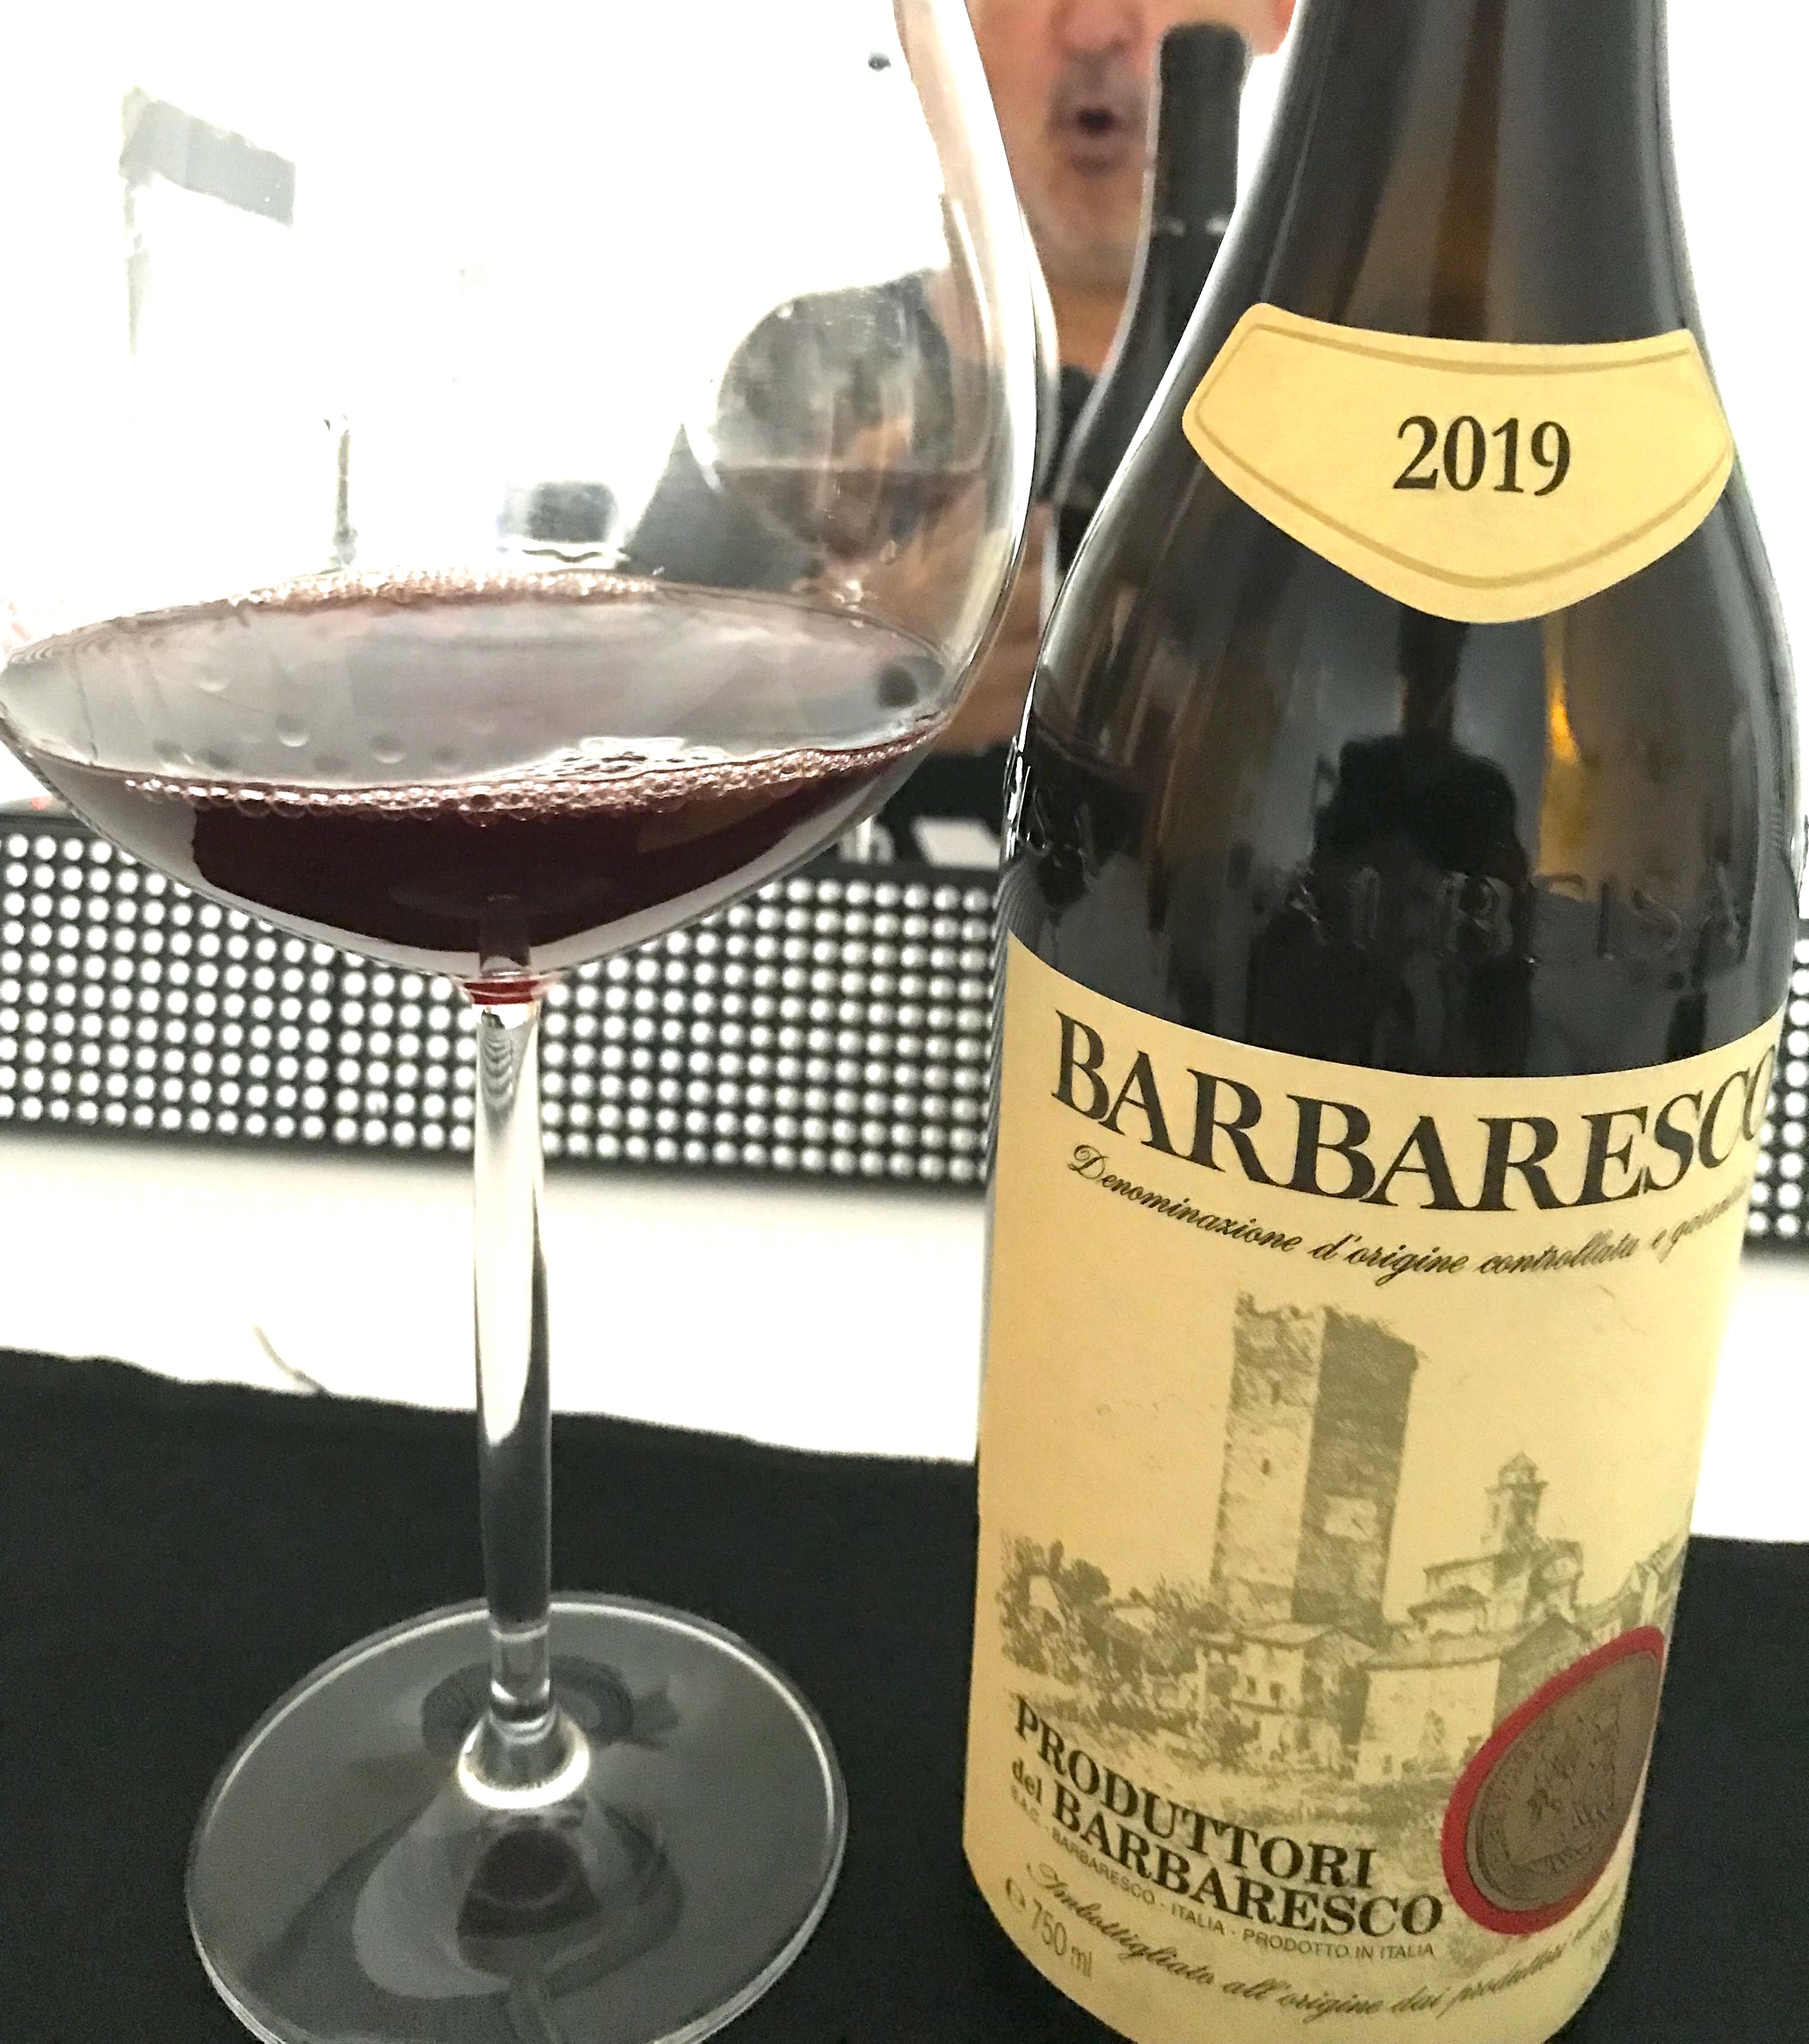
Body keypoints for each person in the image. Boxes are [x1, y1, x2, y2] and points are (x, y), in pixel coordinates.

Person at [934, 0, 1295, 756]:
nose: (1095, 25)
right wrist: (846, 689)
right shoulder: (790, 405)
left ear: (1282, 12)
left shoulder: (1382, 430)